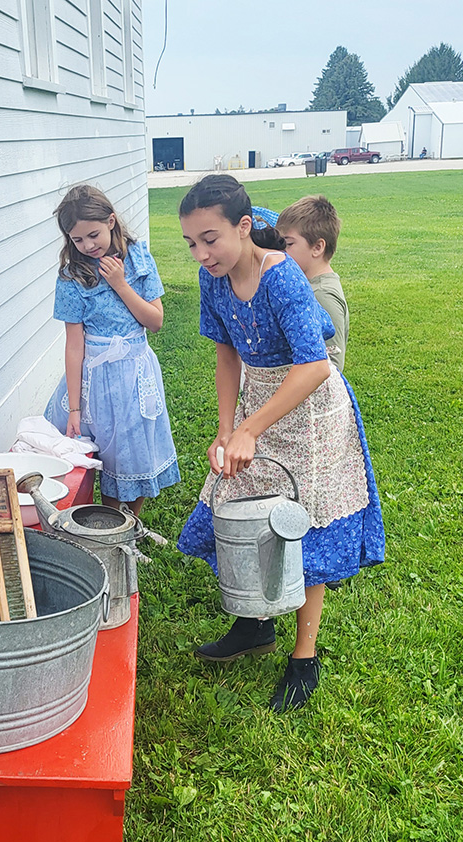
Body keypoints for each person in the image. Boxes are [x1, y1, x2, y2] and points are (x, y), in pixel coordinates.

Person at [176, 174, 384, 711]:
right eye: (191, 243)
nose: (201, 253)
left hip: (309, 407)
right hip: (257, 402)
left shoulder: (283, 277)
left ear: (244, 228)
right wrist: (228, 428)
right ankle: (253, 625)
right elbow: (225, 352)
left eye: (210, 238)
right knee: (240, 503)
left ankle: (303, 658)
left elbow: (314, 365)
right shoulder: (213, 280)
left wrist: (250, 427)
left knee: (299, 523)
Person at [44, 184, 180, 515]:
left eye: (93, 235)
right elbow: (74, 346)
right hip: (95, 382)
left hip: (134, 374)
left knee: (133, 453)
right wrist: (74, 409)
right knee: (102, 456)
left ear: (111, 221)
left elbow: (156, 321)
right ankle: (109, 528)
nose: (88, 245)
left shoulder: (138, 259)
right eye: (77, 240)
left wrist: (121, 284)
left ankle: (132, 527)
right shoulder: (71, 275)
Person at [277, 195, 349, 373]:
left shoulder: (322, 295)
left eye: (287, 244)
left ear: (317, 247)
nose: (280, 251)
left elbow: (331, 365)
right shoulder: (305, 286)